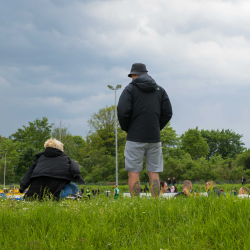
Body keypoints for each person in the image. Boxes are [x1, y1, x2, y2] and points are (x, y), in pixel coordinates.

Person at [117, 63, 173, 197]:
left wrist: (127, 128)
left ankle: (136, 204)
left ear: (134, 75)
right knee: (154, 172)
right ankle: (155, 203)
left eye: (132, 76)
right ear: (146, 74)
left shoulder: (130, 89)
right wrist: (156, 127)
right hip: (154, 138)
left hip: (135, 137)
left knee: (134, 172)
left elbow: (122, 111)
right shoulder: (160, 90)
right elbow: (168, 113)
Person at [19, 138, 85, 200]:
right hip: (53, 195)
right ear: (61, 149)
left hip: (34, 195)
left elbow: (28, 174)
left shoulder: (39, 158)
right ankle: (70, 197)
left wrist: (22, 187)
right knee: (73, 186)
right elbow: (76, 171)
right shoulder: (66, 159)